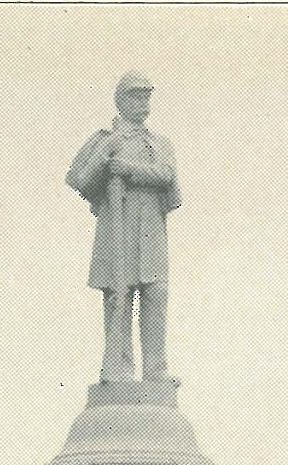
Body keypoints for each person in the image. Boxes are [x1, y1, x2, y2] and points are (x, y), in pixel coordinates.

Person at [66, 71, 181, 384]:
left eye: (146, 96)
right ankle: (120, 369)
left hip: (151, 226)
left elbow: (167, 175)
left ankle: (156, 371)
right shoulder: (106, 140)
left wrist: (128, 169)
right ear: (120, 100)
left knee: (156, 293)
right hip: (118, 225)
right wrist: (106, 155)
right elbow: (82, 181)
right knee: (119, 295)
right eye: (135, 96)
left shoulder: (159, 143)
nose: (142, 102)